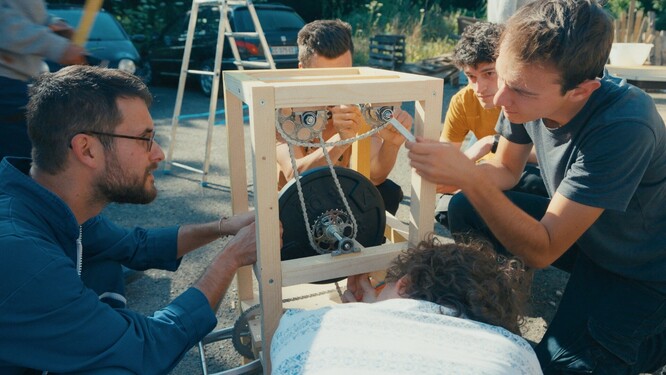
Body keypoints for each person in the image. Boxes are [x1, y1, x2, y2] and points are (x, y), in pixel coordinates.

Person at [407, 0, 666, 373]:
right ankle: (501, 311)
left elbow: (543, 250)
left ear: (581, 90)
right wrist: (454, 174)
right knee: (466, 206)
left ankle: (648, 340)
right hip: (590, 238)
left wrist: (469, 175)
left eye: (521, 91)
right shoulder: (522, 91)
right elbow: (506, 169)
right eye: (502, 77)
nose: (499, 99)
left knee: (554, 368)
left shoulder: (625, 124)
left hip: (641, 268)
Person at [0, 65, 259, 374]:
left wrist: (223, 228)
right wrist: (229, 260)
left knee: (106, 260)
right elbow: (144, 350)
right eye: (144, 139)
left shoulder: (48, 204)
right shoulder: (23, 257)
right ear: (87, 149)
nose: (159, 153)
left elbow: (137, 245)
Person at [270, 237, 542, 374]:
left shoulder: (305, 328)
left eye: (383, 284)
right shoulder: (516, 354)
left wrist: (357, 315)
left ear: (404, 285)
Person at [276, 19, 413, 215]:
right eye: (324, 79)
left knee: (386, 193)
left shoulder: (357, 104)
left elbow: (374, 176)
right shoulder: (285, 111)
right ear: (302, 70)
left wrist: (391, 145)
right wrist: (340, 141)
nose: (336, 88)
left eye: (343, 75)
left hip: (338, 196)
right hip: (295, 207)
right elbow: (293, 175)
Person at [436, 21, 546, 226]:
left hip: (527, 169)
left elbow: (551, 155)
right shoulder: (463, 101)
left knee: (532, 182)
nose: (480, 87)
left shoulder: (529, 96)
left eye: (489, 73)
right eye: (471, 76)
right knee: (447, 209)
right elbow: (445, 161)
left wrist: (492, 143)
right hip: (489, 168)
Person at [0, 0, 87, 161]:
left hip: (16, 81)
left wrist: (53, 23)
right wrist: (59, 47)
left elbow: (22, 9)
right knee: (24, 159)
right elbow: (4, 23)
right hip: (5, 83)